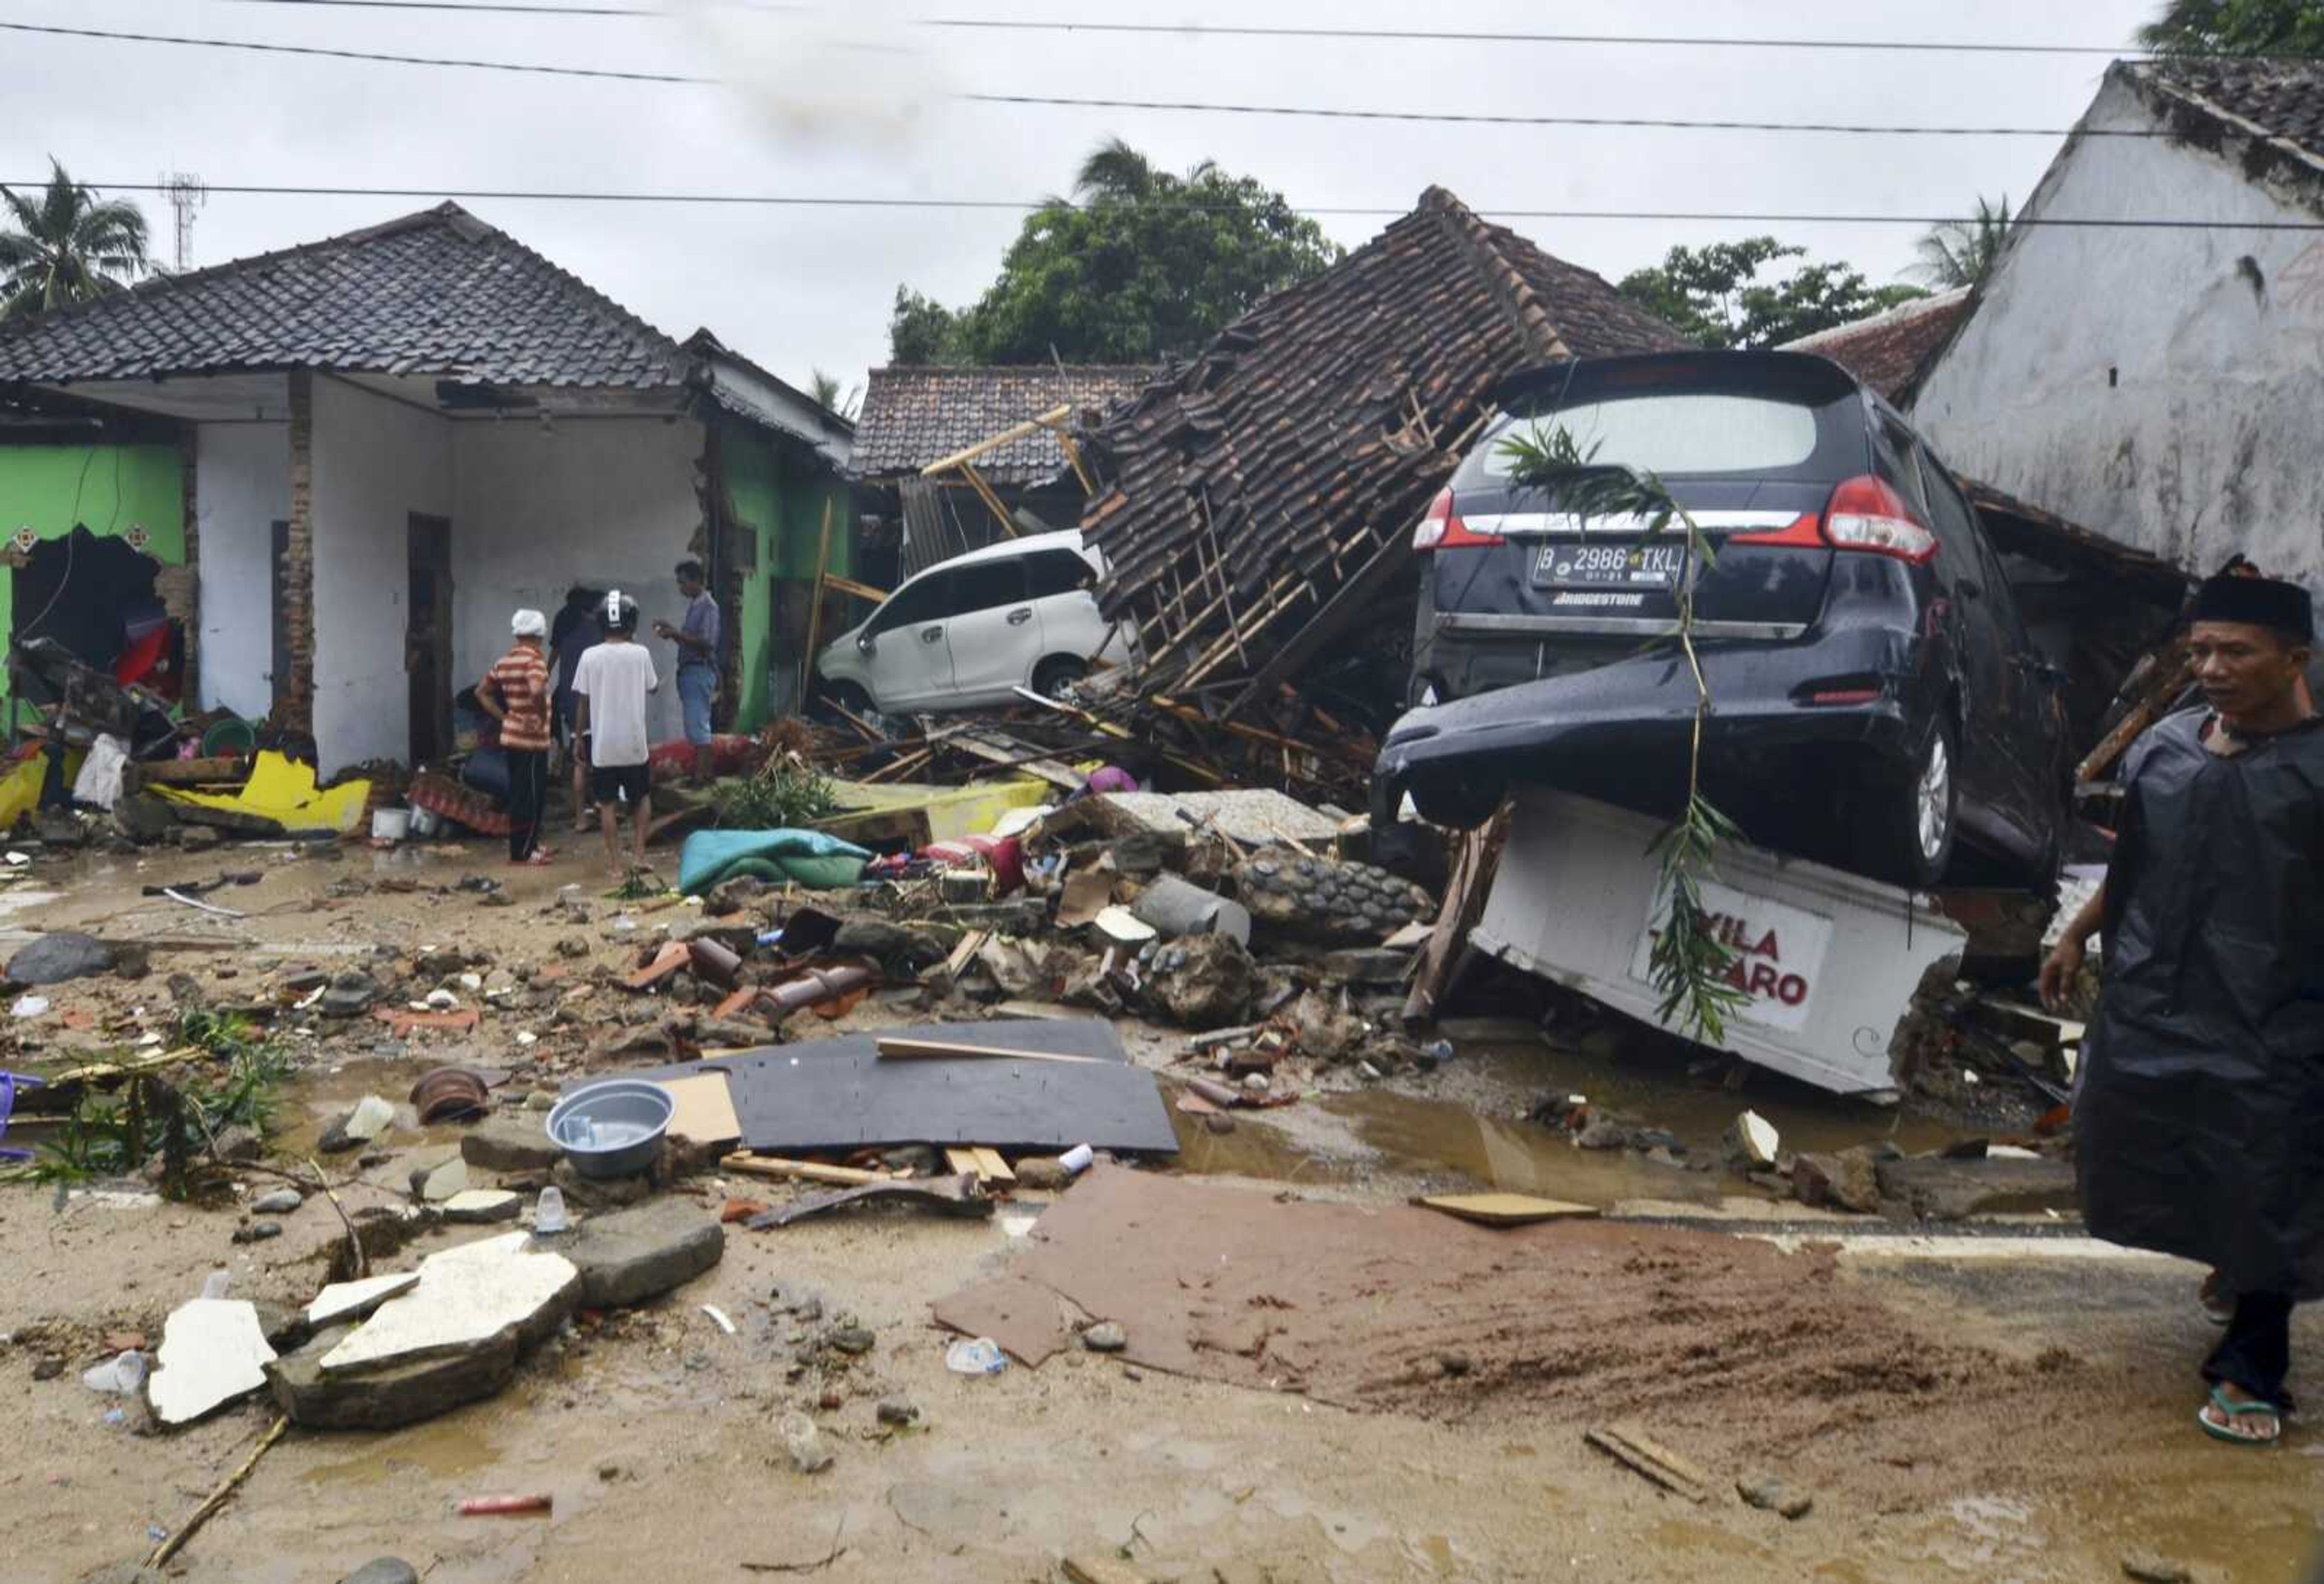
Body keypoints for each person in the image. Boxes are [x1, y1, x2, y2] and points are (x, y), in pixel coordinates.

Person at [2041, 569, 2324, 1450]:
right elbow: (2134, 866)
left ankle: (2254, 1367)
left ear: (2295, 658)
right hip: (2160, 992)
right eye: (2199, 649)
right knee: (2127, 1122)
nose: (2211, 667)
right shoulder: (2165, 748)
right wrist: (2075, 934)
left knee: (2268, 1165)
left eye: (2236, 651)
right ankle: (2236, 1264)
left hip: (2280, 1012)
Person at [571, 590, 659, 877]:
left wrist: (578, 738)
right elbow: (653, 686)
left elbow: (582, 701)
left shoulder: (589, 656)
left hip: (603, 745)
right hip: (634, 743)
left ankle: (615, 867)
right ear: (632, 622)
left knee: (606, 803)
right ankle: (639, 856)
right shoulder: (641, 653)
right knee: (641, 796)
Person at [475, 609, 554, 866]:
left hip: (512, 737)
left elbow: (481, 692)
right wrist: (540, 717)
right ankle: (524, 852)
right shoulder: (534, 661)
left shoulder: (505, 661)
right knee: (532, 796)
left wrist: (504, 717)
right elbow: (536, 689)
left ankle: (524, 845)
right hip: (531, 741)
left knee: (520, 793)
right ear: (540, 634)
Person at [653, 558, 721, 785]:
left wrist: (676, 634)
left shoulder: (708, 606)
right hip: (692, 671)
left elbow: (708, 642)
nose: (681, 588)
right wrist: (674, 634)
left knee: (698, 725)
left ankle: (701, 776)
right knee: (698, 725)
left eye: (683, 583)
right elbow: (693, 642)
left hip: (699, 672)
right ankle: (706, 774)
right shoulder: (696, 605)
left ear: (696, 581)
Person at [548, 584, 603, 834]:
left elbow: (555, 654)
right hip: (595, 698)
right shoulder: (596, 629)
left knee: (579, 757)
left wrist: (545, 678)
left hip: (569, 696)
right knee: (600, 758)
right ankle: (601, 808)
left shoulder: (563, 621)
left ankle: (581, 817)